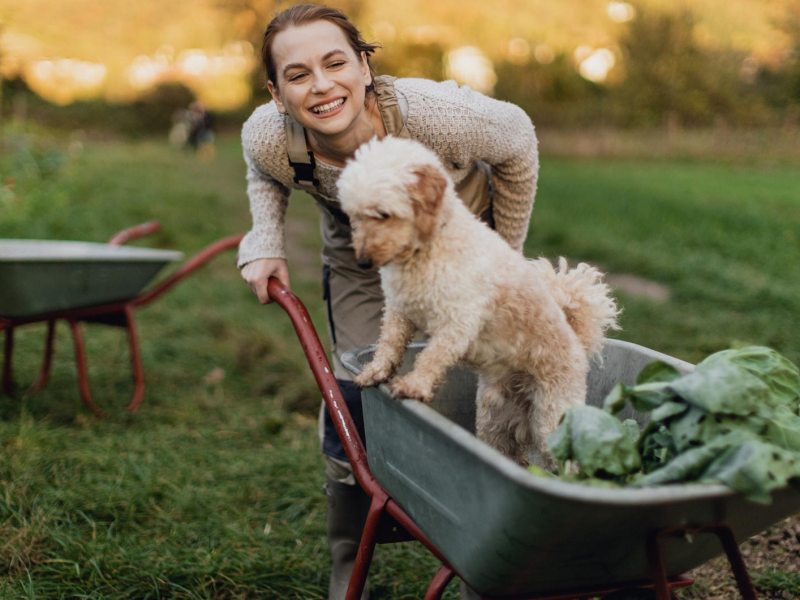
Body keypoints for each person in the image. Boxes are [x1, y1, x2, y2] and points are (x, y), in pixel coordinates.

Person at [237, 4, 539, 598]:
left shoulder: (435, 116)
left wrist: (505, 258)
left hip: (461, 238)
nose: (321, 86)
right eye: (297, 75)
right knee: (357, 386)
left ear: (364, 66)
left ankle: (490, 549)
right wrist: (266, 238)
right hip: (360, 252)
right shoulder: (270, 137)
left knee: (488, 383)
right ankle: (350, 555)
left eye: (335, 63)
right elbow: (263, 171)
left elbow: (519, 142)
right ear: (276, 94)